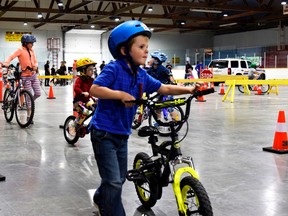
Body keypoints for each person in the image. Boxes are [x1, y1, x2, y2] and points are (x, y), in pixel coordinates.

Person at [89, 20, 201, 216]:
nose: (146, 51)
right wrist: (120, 95)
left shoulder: (141, 75)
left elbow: (164, 88)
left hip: (122, 134)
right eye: (141, 47)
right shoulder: (114, 69)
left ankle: (100, 198)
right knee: (114, 181)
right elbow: (95, 89)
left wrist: (190, 89)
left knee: (118, 179)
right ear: (124, 50)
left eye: (147, 47)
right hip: (104, 133)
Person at [3, 33, 41, 122]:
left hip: (33, 75)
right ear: (25, 43)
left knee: (38, 93)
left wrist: (35, 66)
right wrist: (6, 64)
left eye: (32, 43)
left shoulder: (32, 50)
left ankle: (30, 102)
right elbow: (11, 56)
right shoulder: (20, 50)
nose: (32, 45)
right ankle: (29, 116)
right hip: (25, 76)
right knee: (28, 96)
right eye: (31, 43)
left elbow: (35, 61)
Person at [72, 57, 97, 129]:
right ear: (83, 70)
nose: (92, 71)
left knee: (96, 108)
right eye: (90, 70)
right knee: (85, 112)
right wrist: (82, 93)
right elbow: (76, 88)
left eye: (93, 69)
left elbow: (94, 89)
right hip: (78, 102)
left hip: (87, 101)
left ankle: (89, 126)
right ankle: (75, 125)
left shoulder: (91, 80)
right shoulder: (79, 79)